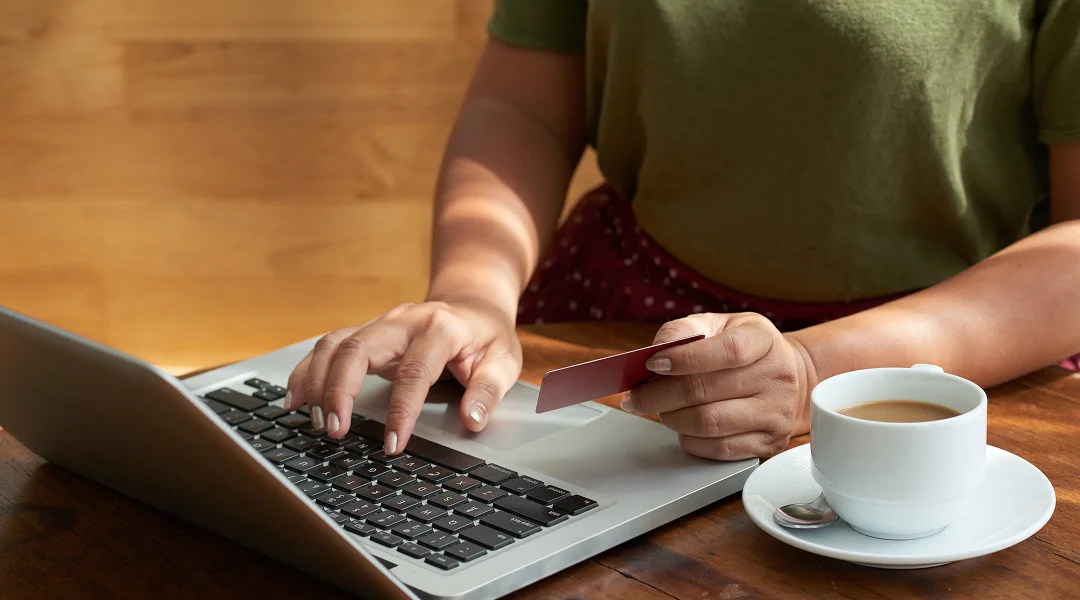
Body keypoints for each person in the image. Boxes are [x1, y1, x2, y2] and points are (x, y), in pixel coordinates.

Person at [284, 1, 1080, 461]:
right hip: (627, 325)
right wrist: (472, 295)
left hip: (948, 370)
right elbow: (519, 108)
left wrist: (809, 371)